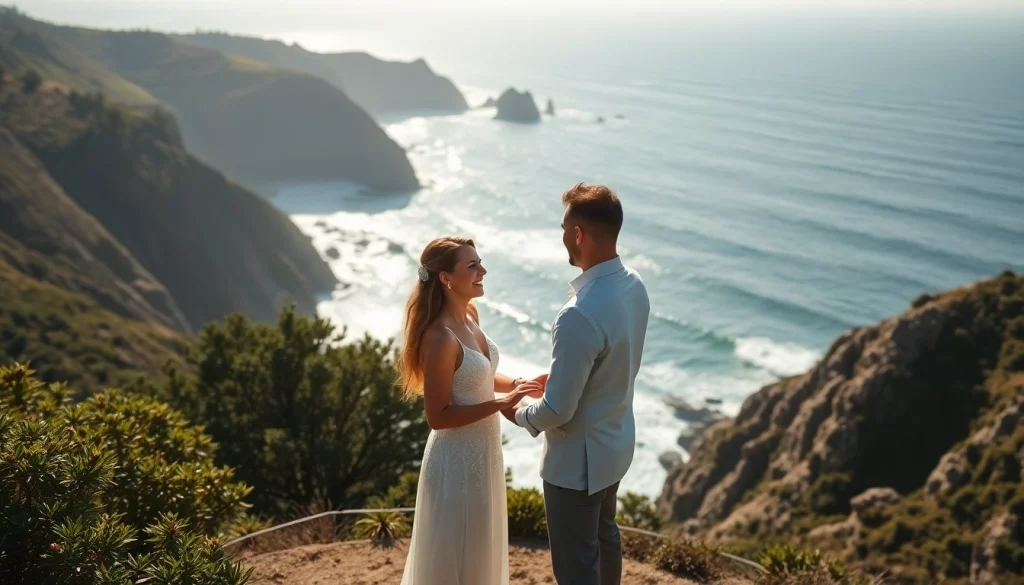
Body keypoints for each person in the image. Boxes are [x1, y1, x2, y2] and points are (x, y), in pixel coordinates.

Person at [507, 183, 650, 585]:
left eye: (564, 227)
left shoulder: (577, 313)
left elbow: (557, 411)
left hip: (576, 468)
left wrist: (515, 411)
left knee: (575, 569)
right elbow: (612, 361)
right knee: (607, 538)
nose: (562, 236)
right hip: (615, 445)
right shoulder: (634, 285)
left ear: (579, 234)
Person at [398, 236, 544, 585]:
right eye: (472, 266)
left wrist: (524, 384)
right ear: (446, 278)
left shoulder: (470, 316)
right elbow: (438, 416)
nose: (483, 270)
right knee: (456, 559)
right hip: (455, 462)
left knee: (479, 552)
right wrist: (501, 404)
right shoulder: (439, 337)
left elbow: (478, 374)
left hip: (484, 453)